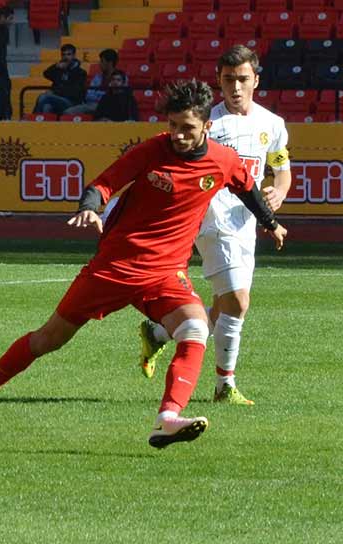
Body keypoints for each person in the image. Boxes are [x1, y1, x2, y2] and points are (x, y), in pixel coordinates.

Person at [0, 79, 286, 449]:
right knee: (47, 340)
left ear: (207, 126)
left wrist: (270, 222)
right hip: (114, 267)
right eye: (173, 125)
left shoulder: (222, 160)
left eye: (186, 128)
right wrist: (89, 208)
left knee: (195, 329)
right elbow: (103, 184)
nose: (176, 134)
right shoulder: (152, 150)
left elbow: (246, 187)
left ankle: (168, 418)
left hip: (165, 274)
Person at [138, 45, 292, 406]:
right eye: (228, 80)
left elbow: (281, 168)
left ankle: (160, 332)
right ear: (218, 82)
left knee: (226, 303)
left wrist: (279, 193)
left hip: (245, 224)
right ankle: (225, 385)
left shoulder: (273, 124)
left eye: (242, 79)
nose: (235, 87)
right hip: (211, 220)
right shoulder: (208, 124)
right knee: (239, 300)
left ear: (256, 79)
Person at [64, 48, 124, 116]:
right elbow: (89, 95)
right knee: (68, 112)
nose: (99, 64)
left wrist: (99, 94)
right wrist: (105, 94)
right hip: (92, 105)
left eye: (102, 61)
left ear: (109, 63)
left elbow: (119, 97)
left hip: (111, 106)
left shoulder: (121, 77)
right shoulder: (97, 77)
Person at [33, 44, 87, 116]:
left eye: (69, 54)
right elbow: (46, 74)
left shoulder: (80, 72)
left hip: (72, 102)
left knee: (44, 97)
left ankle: (32, 120)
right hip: (57, 99)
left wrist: (55, 92)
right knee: (46, 107)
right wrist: (56, 66)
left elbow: (75, 92)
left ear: (74, 56)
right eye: (63, 55)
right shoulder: (59, 70)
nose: (66, 57)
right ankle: (41, 125)